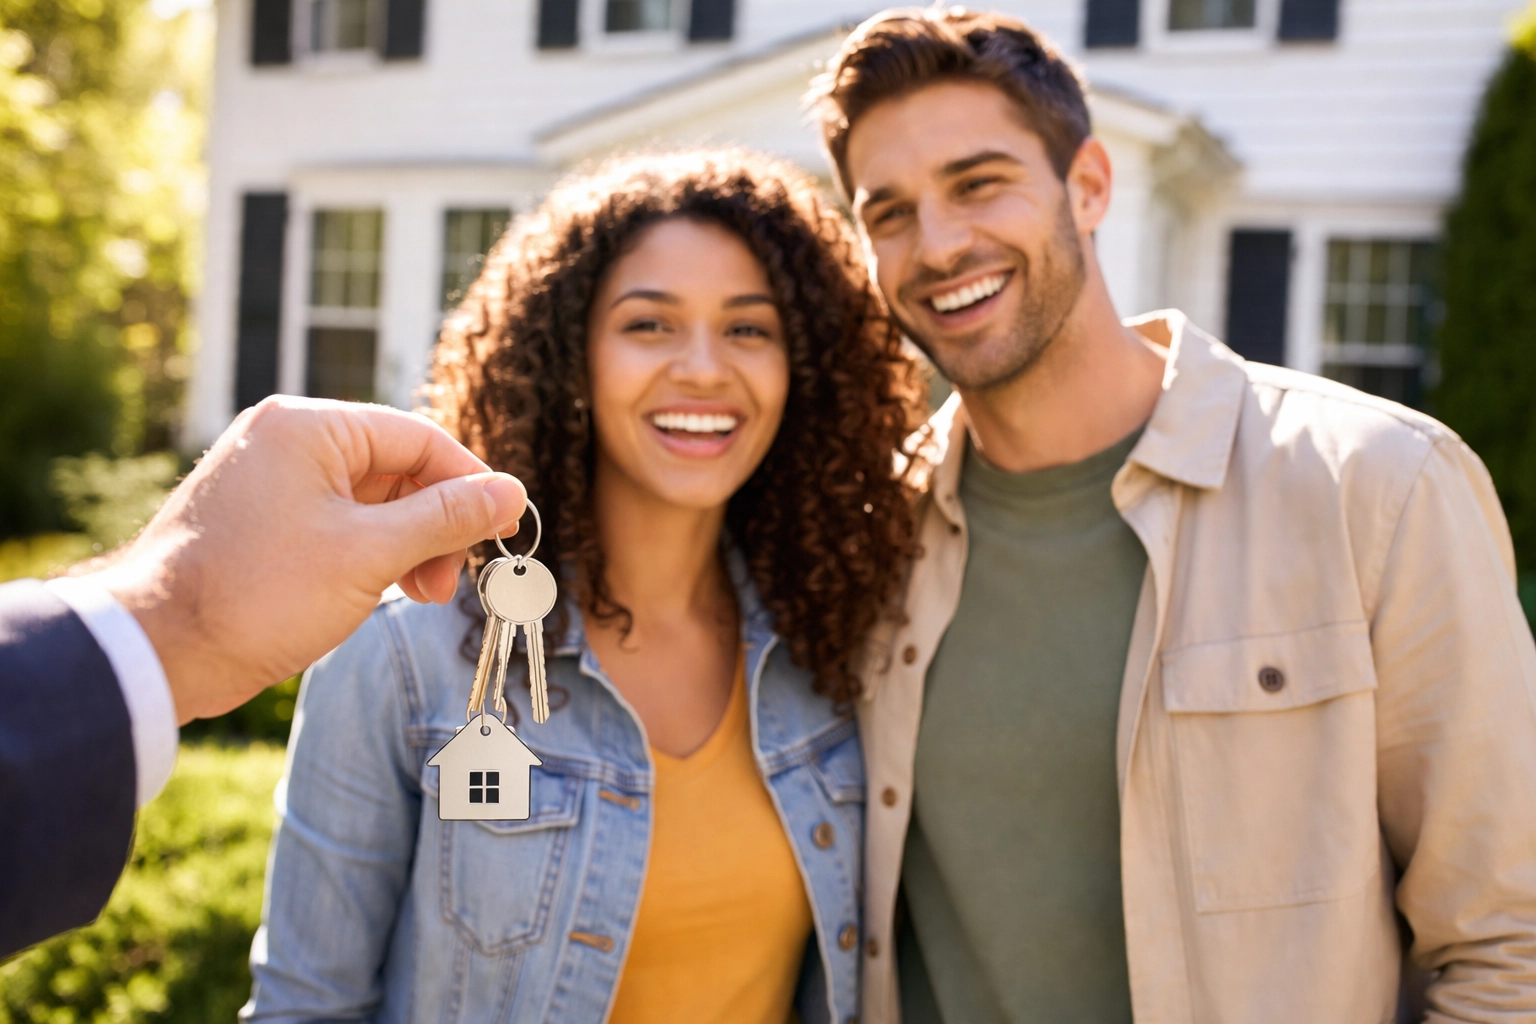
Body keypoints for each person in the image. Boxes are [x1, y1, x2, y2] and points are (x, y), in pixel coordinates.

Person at [808, 8, 1536, 1023]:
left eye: (980, 184)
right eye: (889, 212)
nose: (938, 244)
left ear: (1090, 184)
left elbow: (1509, 942)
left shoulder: (1376, 487)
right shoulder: (869, 538)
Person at [242, 150, 924, 1024]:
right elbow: (306, 1007)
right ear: (570, 355)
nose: (706, 369)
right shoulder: (410, 653)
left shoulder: (832, 647)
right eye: (649, 325)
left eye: (750, 329)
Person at [0, 397, 528, 958]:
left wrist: (177, 618)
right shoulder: (391, 635)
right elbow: (311, 986)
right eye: (635, 325)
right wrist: (180, 617)